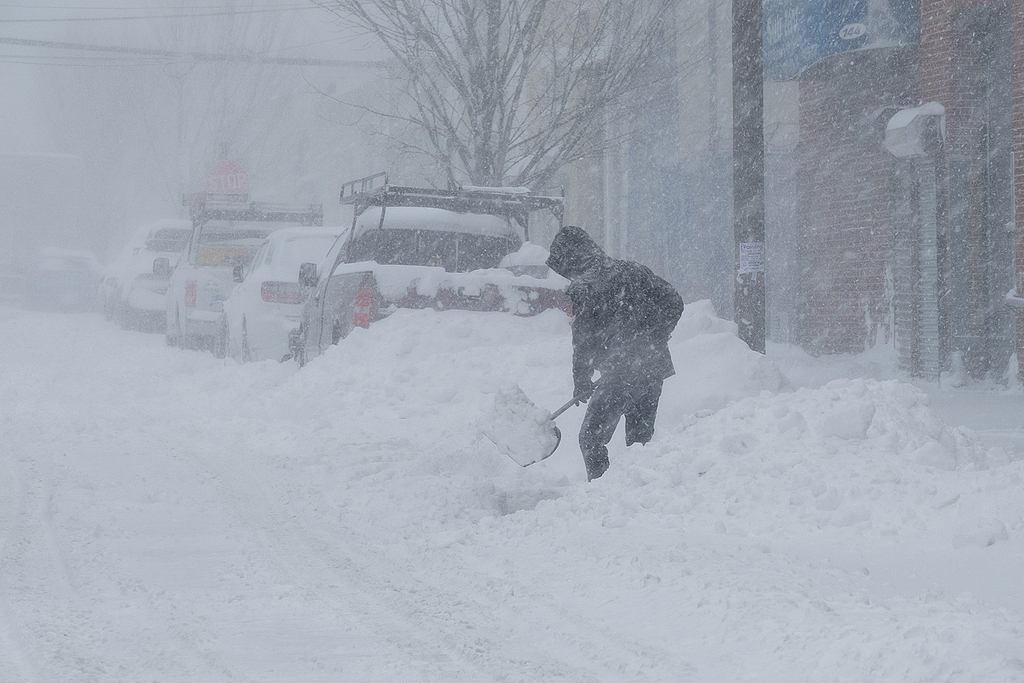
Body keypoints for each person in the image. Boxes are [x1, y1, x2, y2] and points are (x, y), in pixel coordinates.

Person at [546, 225, 684, 481]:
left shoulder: (584, 286)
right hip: (653, 369)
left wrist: (582, 379)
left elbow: (584, 340)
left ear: (571, 260)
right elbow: (674, 301)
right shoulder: (632, 269)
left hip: (621, 375)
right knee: (640, 445)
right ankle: (642, 494)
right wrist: (655, 337)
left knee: (591, 440)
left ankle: (602, 495)